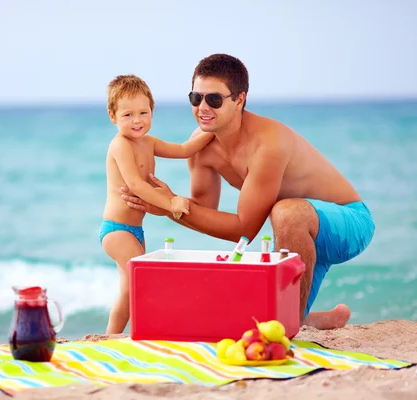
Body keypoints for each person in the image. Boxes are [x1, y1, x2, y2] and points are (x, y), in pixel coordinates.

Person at [120, 54, 375, 330]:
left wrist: (172, 208)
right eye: (196, 98)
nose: (202, 108)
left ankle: (288, 329)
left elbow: (244, 230)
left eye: (214, 100)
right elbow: (204, 210)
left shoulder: (268, 144)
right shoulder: (200, 147)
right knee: (249, 317)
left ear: (239, 99)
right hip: (301, 234)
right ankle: (311, 320)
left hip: (349, 222)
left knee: (286, 212)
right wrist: (169, 203)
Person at [101, 74, 215, 334]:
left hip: (134, 231)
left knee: (129, 289)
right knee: (144, 279)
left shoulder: (149, 142)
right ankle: (156, 329)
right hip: (116, 230)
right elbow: (137, 186)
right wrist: (171, 201)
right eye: (128, 115)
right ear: (113, 116)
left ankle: (110, 337)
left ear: (152, 111)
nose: (137, 120)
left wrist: (211, 132)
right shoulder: (120, 145)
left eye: (143, 112)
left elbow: (185, 149)